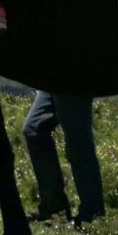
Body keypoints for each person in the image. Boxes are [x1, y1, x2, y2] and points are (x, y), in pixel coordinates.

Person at [23, 91, 105, 224]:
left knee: (78, 145)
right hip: (53, 80)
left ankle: (92, 216)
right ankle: (54, 207)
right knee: (34, 129)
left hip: (71, 80)